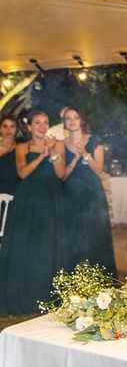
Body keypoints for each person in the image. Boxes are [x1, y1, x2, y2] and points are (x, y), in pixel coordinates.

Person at [0, 111, 67, 314]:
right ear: (29, 127)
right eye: (37, 122)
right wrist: (42, 157)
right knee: (26, 247)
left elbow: (60, 174)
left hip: (50, 198)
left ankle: (45, 296)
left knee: (46, 246)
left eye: (45, 122)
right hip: (27, 199)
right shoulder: (22, 147)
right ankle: (24, 296)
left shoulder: (58, 144)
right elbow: (22, 173)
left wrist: (53, 154)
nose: (42, 126)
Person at [62, 107, 117, 277]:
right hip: (70, 194)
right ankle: (74, 278)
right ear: (64, 122)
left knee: (95, 235)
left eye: (75, 117)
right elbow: (61, 174)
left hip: (92, 194)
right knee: (72, 235)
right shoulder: (60, 144)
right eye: (68, 118)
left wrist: (84, 153)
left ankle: (99, 278)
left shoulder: (95, 141)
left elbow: (99, 170)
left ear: (82, 120)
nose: (72, 121)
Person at [0, 115, 21, 195]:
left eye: (12, 126)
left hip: (12, 192)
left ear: (16, 130)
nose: (8, 130)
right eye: (5, 126)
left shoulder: (21, 148)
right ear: (0, 129)